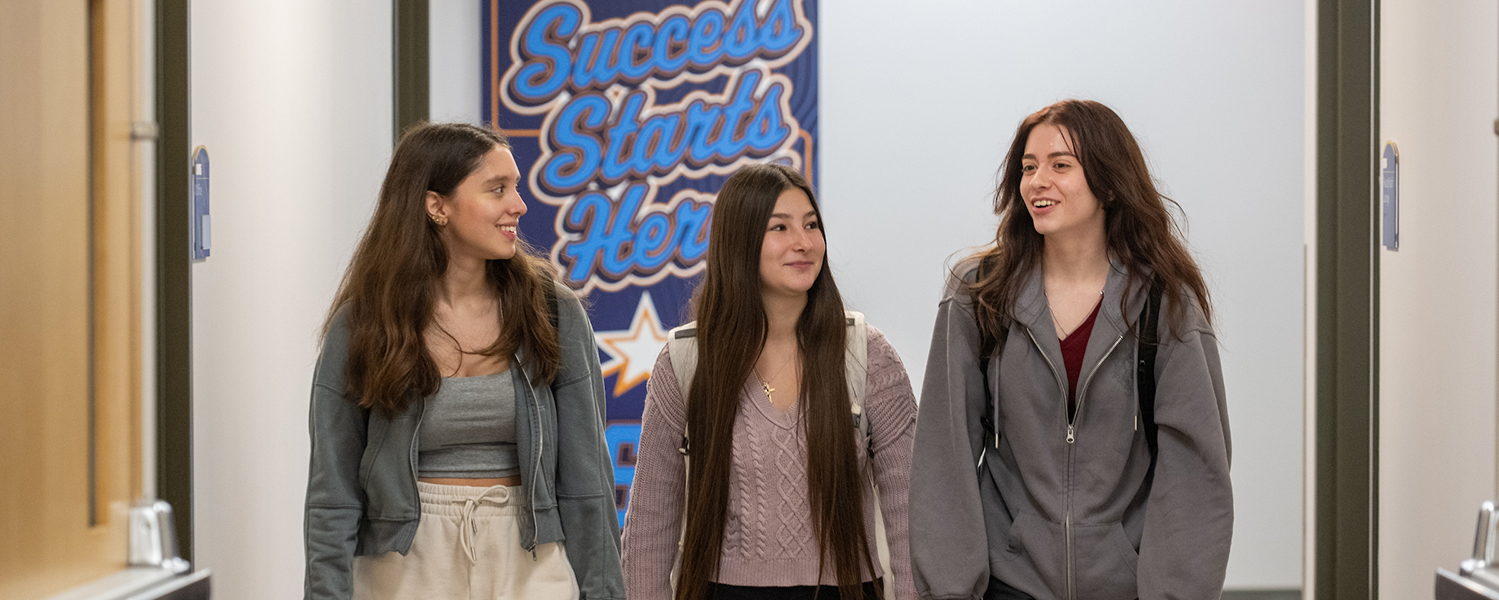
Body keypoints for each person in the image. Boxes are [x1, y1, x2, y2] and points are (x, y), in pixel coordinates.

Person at [908, 100, 1233, 600]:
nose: (1038, 181)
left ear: (1107, 182)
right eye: (1028, 167)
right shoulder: (978, 294)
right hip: (1009, 582)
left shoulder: (1164, 303)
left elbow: (1194, 473)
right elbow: (942, 456)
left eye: (1061, 165)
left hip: (1125, 585)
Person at [303, 123, 624, 600]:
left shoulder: (552, 311)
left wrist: (606, 592)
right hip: (404, 560)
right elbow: (333, 493)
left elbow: (588, 478)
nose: (519, 204)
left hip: (529, 551)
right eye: (498, 190)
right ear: (437, 206)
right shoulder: (366, 322)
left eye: (514, 187)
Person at [621, 163, 919, 600]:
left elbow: (910, 509)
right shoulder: (687, 360)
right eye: (779, 227)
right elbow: (649, 525)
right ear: (739, 243)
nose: (803, 243)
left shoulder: (866, 353)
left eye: (811, 225)